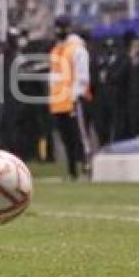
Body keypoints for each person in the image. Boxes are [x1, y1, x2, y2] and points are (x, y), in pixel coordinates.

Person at [48, 15, 91, 180]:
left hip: (72, 100)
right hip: (59, 101)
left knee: (78, 136)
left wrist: (75, 95)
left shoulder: (77, 49)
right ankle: (72, 171)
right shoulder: (56, 50)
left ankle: (86, 167)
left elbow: (82, 76)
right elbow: (54, 76)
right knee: (66, 138)